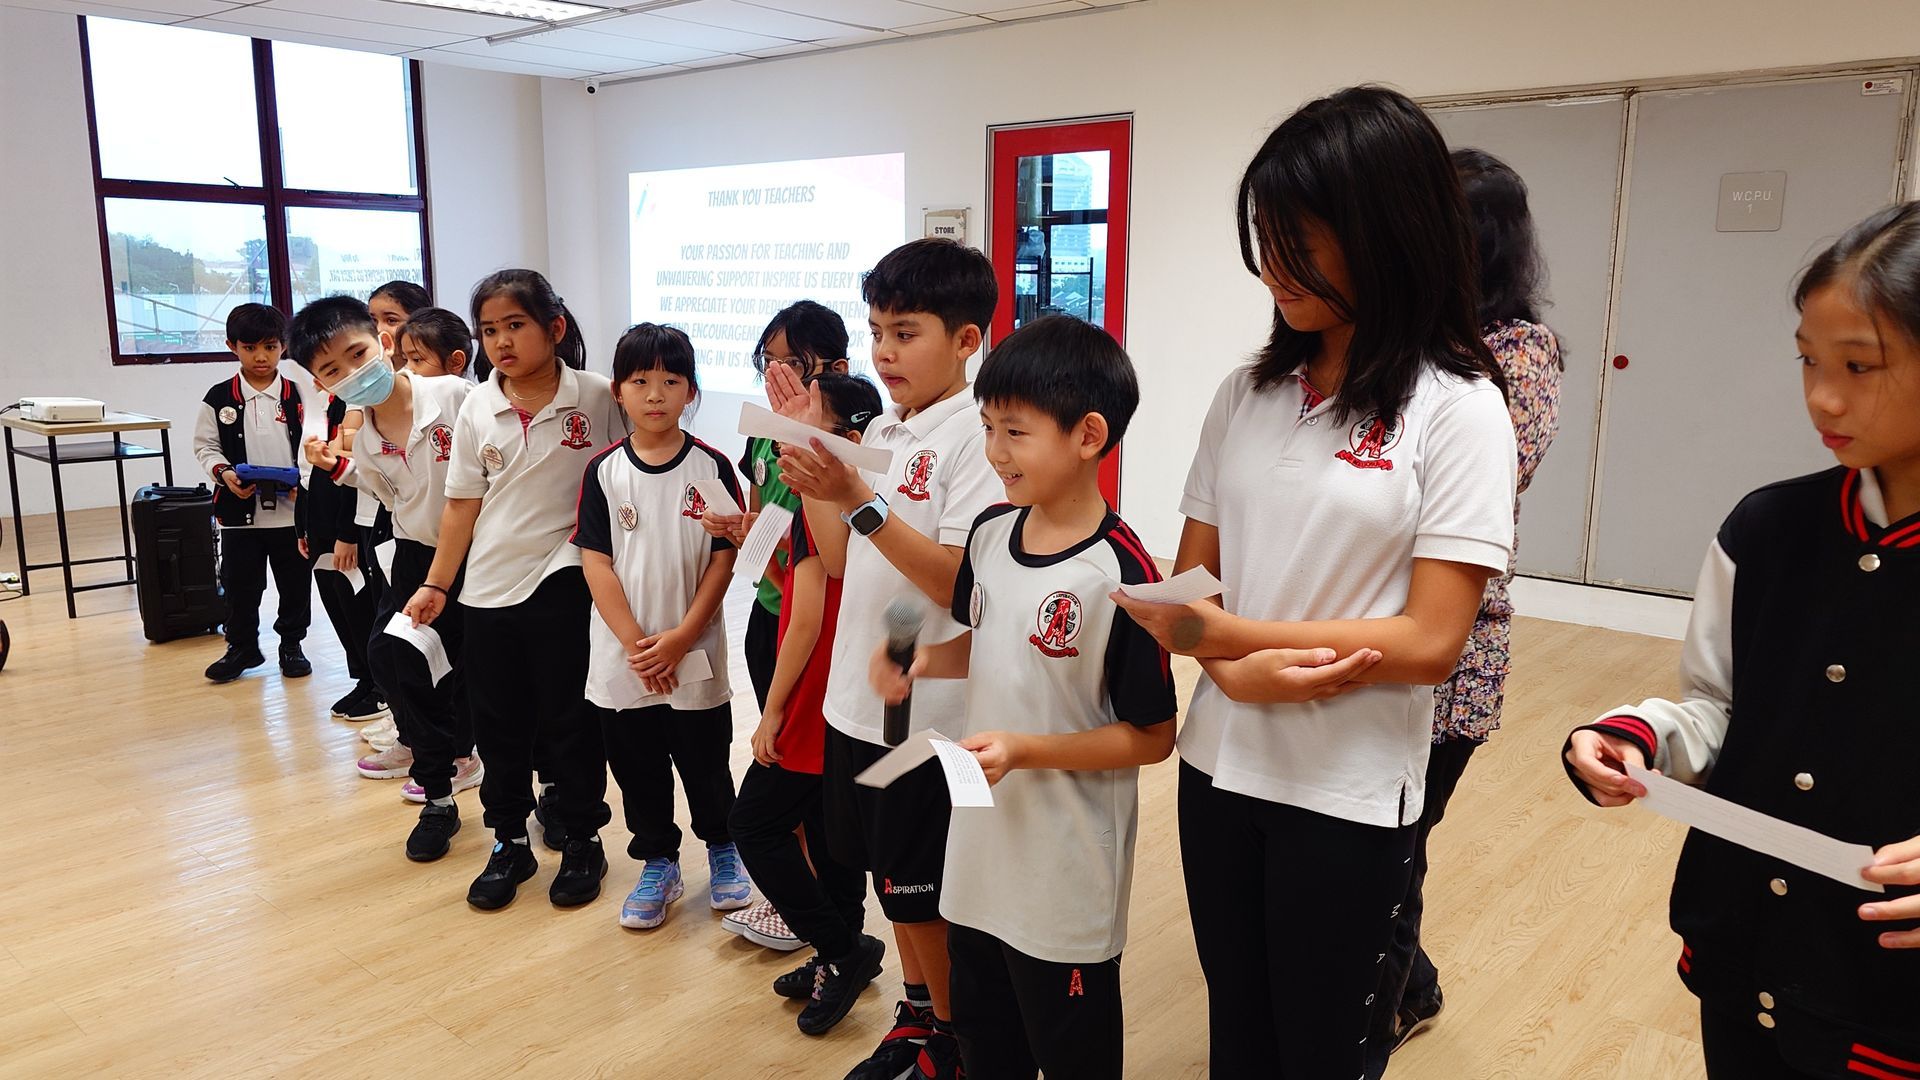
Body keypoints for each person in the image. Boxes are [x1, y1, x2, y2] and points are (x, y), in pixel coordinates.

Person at [1110, 86, 1517, 1077]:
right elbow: (1190, 587)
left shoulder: (1459, 408)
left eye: (1301, 242)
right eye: (1266, 239)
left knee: (1323, 1050)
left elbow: (1432, 641)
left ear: (1389, 231)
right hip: (1218, 771)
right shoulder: (1246, 394)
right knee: (1238, 1032)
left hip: (1348, 792)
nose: (1274, 268)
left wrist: (1235, 647)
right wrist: (1230, 671)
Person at [1562, 202, 1920, 1080]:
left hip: (1891, 994)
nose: (1822, 396)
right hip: (1747, 953)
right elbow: (1719, 710)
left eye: (1859, 365)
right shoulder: (1767, 529)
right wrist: (1638, 739)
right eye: (1808, 359)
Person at [870, 316, 1178, 1079]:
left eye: (1015, 432)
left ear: (1088, 436)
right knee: (987, 1049)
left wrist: (1026, 750)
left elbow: (1153, 735)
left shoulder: (1123, 574)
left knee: (1071, 1056)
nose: (995, 452)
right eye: (987, 428)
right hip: (978, 858)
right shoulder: (988, 536)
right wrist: (921, 662)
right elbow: (989, 642)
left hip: (1065, 877)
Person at [775, 238, 1003, 1080]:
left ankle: (955, 1042)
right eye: (876, 332)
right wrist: (818, 468)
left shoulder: (978, 438)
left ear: (967, 339)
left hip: (929, 721)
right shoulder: (884, 428)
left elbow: (958, 582)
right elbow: (840, 558)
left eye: (905, 333)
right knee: (891, 879)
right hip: (858, 702)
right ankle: (918, 1015)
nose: (883, 352)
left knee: (927, 889)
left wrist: (859, 497)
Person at [1368, 147, 1565, 1066]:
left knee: (1399, 837)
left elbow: (1466, 492)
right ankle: (1405, 981)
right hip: (1367, 623)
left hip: (1452, 644)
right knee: (1379, 838)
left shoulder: (1516, 356)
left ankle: (1394, 998)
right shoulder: (1394, 339)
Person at [402, 269, 626, 911]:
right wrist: (437, 584)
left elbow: (630, 474)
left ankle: (581, 837)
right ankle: (508, 840)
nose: (501, 341)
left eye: (515, 325)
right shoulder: (477, 405)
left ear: (554, 328)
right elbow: (461, 505)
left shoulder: (597, 396)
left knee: (570, 719)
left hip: (566, 574)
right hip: (488, 586)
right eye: (489, 330)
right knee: (498, 725)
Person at [572, 323, 754, 929]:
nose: (655, 394)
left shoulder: (712, 466)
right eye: (640, 381)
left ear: (691, 390)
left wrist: (680, 637)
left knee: (705, 762)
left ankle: (723, 849)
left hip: (693, 649)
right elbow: (596, 561)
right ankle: (658, 861)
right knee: (637, 767)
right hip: (624, 656)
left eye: (671, 381)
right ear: (618, 391)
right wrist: (637, 644)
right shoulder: (603, 471)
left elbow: (724, 559)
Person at [292, 297, 483, 861]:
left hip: (480, 553)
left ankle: (479, 767)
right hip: (416, 554)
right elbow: (385, 493)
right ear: (321, 383)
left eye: (358, 354)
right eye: (333, 370)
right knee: (389, 656)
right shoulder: (367, 438)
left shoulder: (453, 395)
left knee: (473, 667)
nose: (352, 372)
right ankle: (439, 791)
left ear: (384, 341)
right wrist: (338, 467)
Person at [728, 372, 886, 1035]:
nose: (786, 450)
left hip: (820, 694)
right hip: (836, 693)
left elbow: (808, 618)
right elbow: (800, 589)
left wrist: (772, 709)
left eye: (806, 432)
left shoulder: (836, 504)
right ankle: (840, 949)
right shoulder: (840, 504)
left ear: (847, 439)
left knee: (755, 825)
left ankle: (841, 950)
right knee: (827, 828)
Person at [194, 302, 315, 684]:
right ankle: (242, 646)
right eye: (249, 348)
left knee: (295, 585)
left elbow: (316, 445)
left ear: (284, 346)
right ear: (232, 346)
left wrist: (305, 485)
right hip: (239, 515)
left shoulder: (300, 396)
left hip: (291, 515)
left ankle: (291, 645)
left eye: (270, 346)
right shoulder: (219, 397)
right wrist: (225, 474)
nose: (261, 356)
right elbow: (206, 447)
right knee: (240, 585)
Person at [343, 280, 434, 774]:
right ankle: (411, 732)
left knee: (416, 647)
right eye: (373, 318)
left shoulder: (444, 392)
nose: (382, 329)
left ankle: (447, 750)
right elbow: (368, 473)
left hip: (436, 541)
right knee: (387, 644)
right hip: (389, 529)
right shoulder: (364, 393)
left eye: (391, 319)